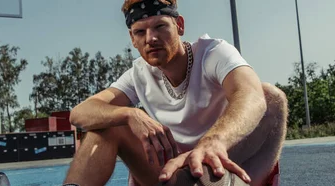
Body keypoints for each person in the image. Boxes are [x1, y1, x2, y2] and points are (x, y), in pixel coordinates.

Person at [63, 0, 288, 185]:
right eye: (140, 32)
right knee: (106, 125)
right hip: (171, 173)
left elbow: (252, 95)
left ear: (179, 25)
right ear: (133, 39)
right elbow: (79, 113)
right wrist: (131, 114)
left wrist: (214, 141)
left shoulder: (213, 53)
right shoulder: (139, 73)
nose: (150, 38)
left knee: (272, 96)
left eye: (160, 26)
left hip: (222, 166)